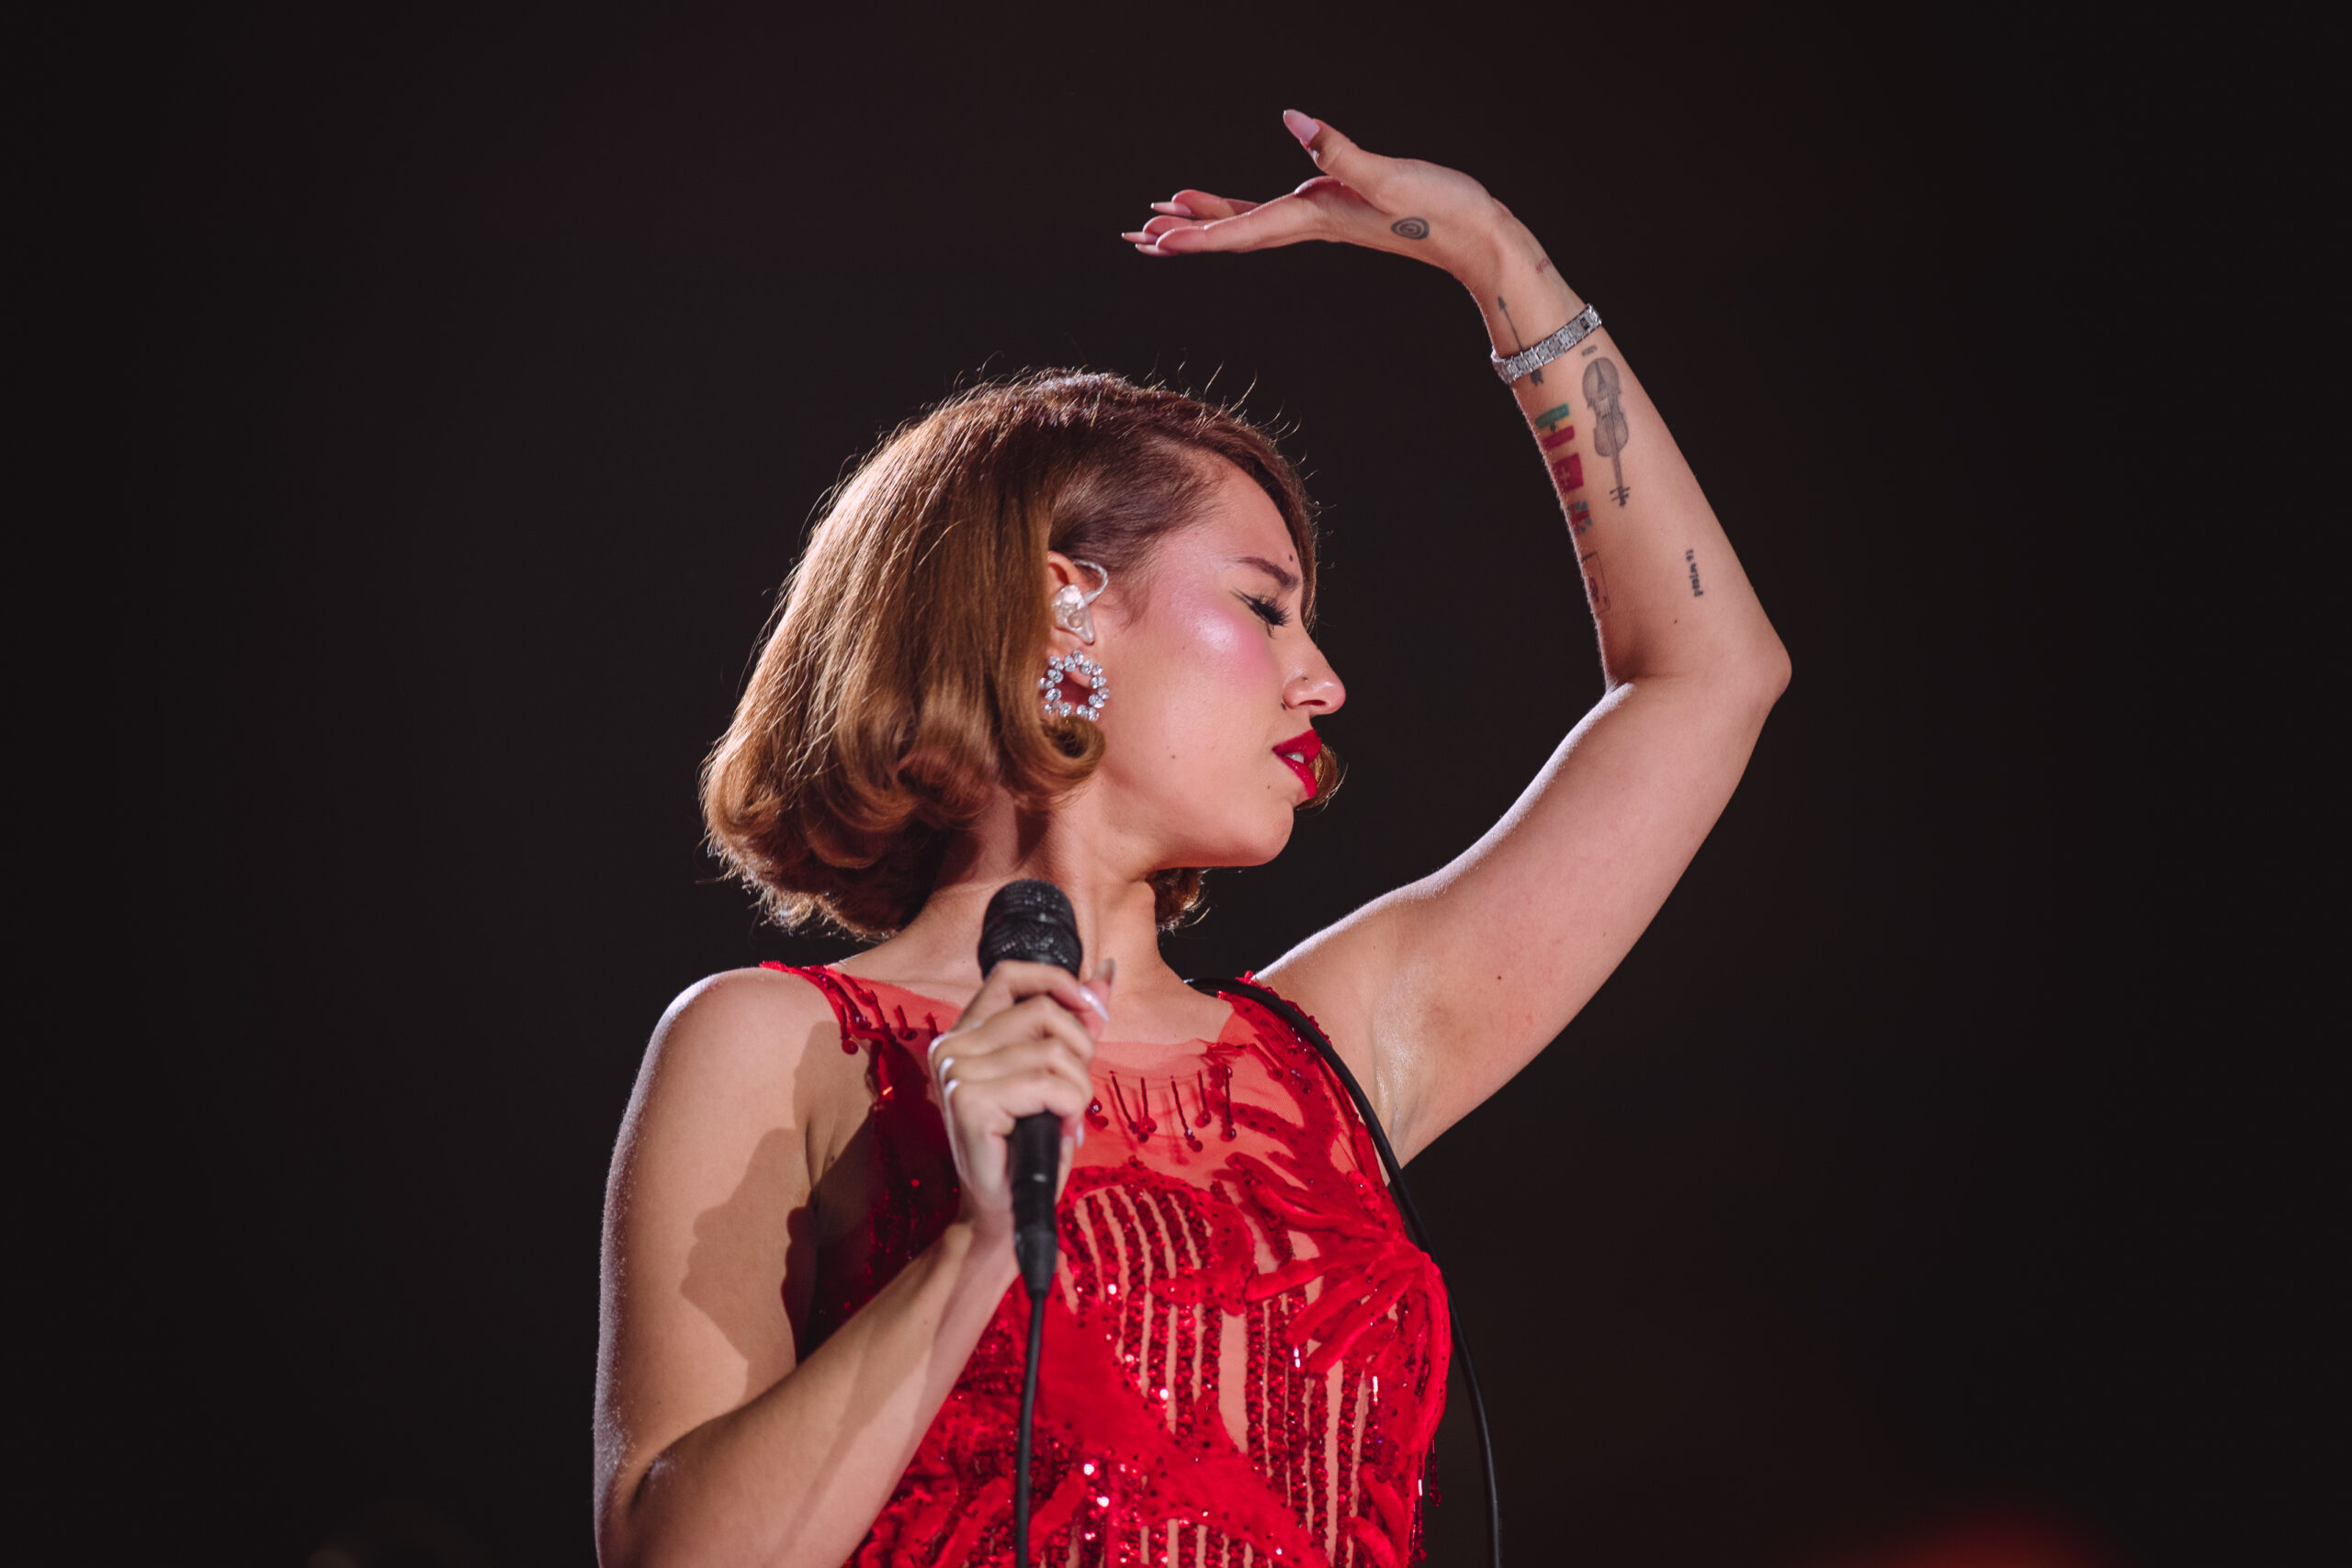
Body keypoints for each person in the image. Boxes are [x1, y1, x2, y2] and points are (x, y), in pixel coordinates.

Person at [594, 111, 1790, 1568]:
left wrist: (1499, 261)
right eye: (1265, 606)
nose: (1323, 680)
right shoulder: (773, 1045)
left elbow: (1710, 678)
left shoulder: (1328, 1061)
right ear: (1064, 608)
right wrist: (976, 1247)